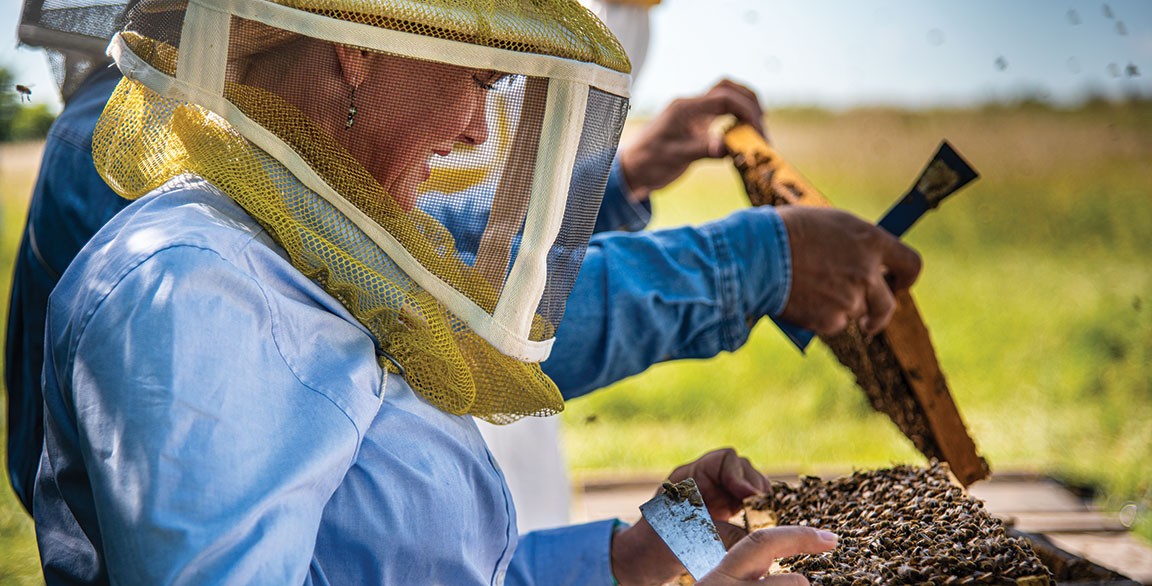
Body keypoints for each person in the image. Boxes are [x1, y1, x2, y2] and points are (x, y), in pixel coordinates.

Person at [31, 0, 880, 582]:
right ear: (361, 47)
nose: (480, 128)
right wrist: (746, 271)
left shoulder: (322, 257)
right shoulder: (187, 293)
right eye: (480, 82)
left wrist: (642, 553)